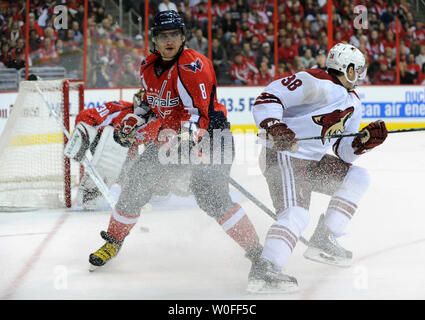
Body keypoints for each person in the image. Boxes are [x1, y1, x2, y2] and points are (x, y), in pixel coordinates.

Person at [84, 10, 263, 270]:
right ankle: (113, 240)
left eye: (175, 35)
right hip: (172, 140)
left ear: (183, 37)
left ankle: (259, 256)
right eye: (163, 35)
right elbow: (149, 104)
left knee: (211, 195)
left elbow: (202, 113)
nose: (169, 40)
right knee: (136, 183)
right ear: (154, 39)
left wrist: (189, 136)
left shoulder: (192, 65)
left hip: (213, 136)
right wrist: (133, 122)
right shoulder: (147, 66)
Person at [248, 43, 388, 293]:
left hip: (312, 162)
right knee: (297, 214)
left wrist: (362, 143)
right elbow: (268, 98)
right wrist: (274, 125)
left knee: (357, 177)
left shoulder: (353, 102)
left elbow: (343, 151)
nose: (361, 75)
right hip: (284, 155)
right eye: (358, 69)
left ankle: (325, 238)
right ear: (346, 68)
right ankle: (265, 268)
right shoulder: (314, 81)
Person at [64, 89, 160, 210]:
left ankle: (132, 199)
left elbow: (157, 144)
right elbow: (87, 115)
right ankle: (92, 192)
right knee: (112, 167)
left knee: (133, 172)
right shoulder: (119, 108)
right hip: (104, 143)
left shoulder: (158, 122)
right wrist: (83, 137)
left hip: (128, 149)